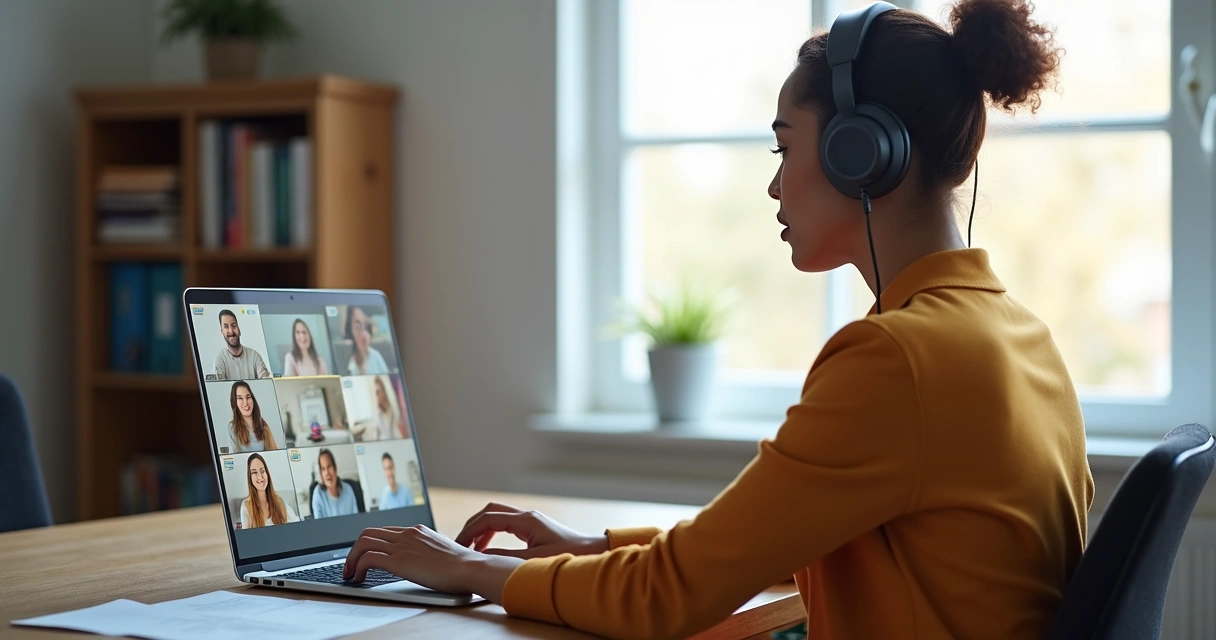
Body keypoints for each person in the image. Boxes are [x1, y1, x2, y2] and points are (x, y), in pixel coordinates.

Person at [341, 2, 1095, 639]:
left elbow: (666, 597)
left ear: (857, 155)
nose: (773, 184)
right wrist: (590, 543)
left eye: (785, 146)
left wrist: (464, 567)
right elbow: (771, 542)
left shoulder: (900, 357)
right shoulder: (1018, 336)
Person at [239, 453, 299, 529]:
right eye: (254, 472)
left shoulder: (279, 501)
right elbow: (246, 538)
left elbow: (291, 528)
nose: (260, 476)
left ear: (267, 473)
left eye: (262, 471)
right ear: (249, 477)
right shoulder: (246, 506)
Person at [213, 309, 271, 380]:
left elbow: (266, 382)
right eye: (226, 326)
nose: (231, 331)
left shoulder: (254, 356)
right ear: (222, 332)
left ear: (239, 330)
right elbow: (220, 388)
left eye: (234, 325)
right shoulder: (220, 359)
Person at [227, 381, 278, 453]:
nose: (245, 403)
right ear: (234, 402)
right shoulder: (232, 428)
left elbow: (275, 452)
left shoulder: (263, 424)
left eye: (248, 397)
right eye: (240, 398)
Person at [311, 448, 359, 518]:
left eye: (329, 466)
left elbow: (356, 520)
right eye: (323, 469)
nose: (327, 473)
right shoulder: (318, 494)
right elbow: (319, 526)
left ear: (335, 468)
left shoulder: (348, 489)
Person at [344, 306, 390, 375]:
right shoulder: (346, 362)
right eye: (358, 326)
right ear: (350, 329)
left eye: (366, 326)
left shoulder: (375, 355)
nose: (364, 333)